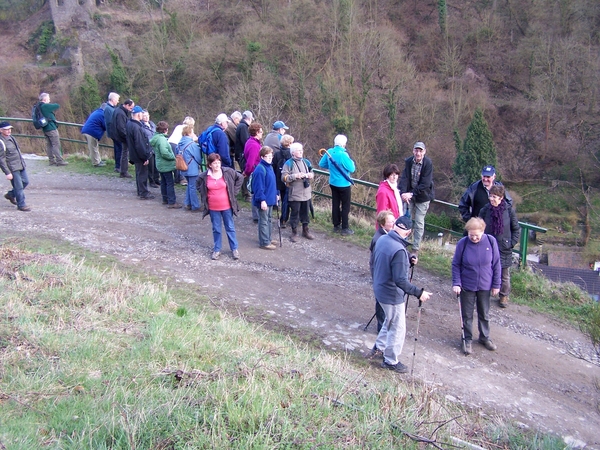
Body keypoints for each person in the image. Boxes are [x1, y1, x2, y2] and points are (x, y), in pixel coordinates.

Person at [371, 216, 432, 373]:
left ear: (395, 226)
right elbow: (401, 281)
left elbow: (393, 258)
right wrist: (419, 293)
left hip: (379, 289)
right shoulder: (399, 250)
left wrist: (407, 258)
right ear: (409, 232)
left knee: (389, 320)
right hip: (391, 295)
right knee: (397, 328)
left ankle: (379, 348)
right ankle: (391, 360)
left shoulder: (383, 239)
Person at [452, 217, 501, 355]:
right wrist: (456, 283)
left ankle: (484, 337)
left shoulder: (491, 241)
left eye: (476, 235)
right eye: (471, 235)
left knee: (484, 313)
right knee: (467, 314)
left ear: (483, 231)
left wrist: (496, 284)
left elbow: (496, 264)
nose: (473, 238)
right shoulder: (463, 243)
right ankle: (467, 339)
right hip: (467, 285)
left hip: (485, 285)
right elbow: (456, 264)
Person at [197, 153, 245, 261]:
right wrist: (204, 194)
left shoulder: (227, 172)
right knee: (216, 229)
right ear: (210, 164)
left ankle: (234, 249)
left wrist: (234, 191)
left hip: (227, 206)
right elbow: (198, 185)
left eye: (218, 162)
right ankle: (217, 250)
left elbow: (240, 178)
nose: (217, 165)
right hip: (213, 207)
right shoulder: (204, 176)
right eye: (215, 163)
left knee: (230, 227)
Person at [479, 185, 520, 308]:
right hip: (488, 246)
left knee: (504, 274)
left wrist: (511, 243)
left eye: (495, 197)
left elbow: (516, 229)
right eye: (490, 196)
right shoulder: (485, 210)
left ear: (501, 198)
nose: (492, 199)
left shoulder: (509, 211)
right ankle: (485, 293)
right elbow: (478, 226)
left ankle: (503, 296)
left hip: (504, 247)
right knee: (486, 271)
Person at [399, 141, 434, 257]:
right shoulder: (408, 161)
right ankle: (402, 242)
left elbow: (425, 183)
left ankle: (415, 249)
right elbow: (404, 178)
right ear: (413, 151)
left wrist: (411, 194)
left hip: (422, 197)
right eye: (416, 150)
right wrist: (403, 193)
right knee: (406, 218)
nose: (418, 153)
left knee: (419, 222)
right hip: (410, 195)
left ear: (424, 152)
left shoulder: (428, 163)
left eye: (420, 151)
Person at [319, 134, 356, 235]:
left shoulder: (329, 151)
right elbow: (352, 168)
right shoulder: (343, 155)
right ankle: (345, 228)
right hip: (344, 184)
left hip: (333, 182)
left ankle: (336, 225)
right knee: (345, 206)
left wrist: (332, 167)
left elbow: (322, 164)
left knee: (335, 204)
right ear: (344, 144)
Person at [367, 210, 396, 336]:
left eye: (394, 221)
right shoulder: (379, 238)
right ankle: (381, 327)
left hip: (381, 272)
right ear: (382, 224)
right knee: (381, 300)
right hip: (379, 273)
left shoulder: (386, 235)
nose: (393, 224)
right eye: (390, 222)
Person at [281, 142, 314, 242]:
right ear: (293, 152)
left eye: (301, 150)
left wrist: (311, 175)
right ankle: (294, 232)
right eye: (298, 151)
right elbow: (284, 177)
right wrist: (294, 176)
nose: (301, 152)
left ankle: (305, 230)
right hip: (295, 193)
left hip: (306, 193)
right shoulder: (288, 163)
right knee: (295, 212)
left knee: (305, 212)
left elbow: (312, 171)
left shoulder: (306, 162)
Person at [252, 146, 279, 250]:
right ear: (262, 157)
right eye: (267, 156)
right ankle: (264, 242)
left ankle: (268, 238)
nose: (270, 158)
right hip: (264, 200)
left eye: (271, 156)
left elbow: (273, 182)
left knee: (269, 220)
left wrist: (276, 194)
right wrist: (262, 200)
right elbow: (258, 188)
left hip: (271, 198)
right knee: (263, 221)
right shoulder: (260, 169)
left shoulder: (270, 166)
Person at [150, 121, 181, 209]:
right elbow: (164, 153)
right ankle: (171, 201)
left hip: (160, 163)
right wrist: (173, 157)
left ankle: (165, 199)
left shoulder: (156, 138)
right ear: (165, 130)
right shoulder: (162, 139)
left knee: (163, 181)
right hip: (165, 164)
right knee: (169, 183)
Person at [0, 121, 30, 211]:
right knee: (18, 186)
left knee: (25, 182)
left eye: (9, 129)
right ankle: (21, 204)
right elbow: (1, 159)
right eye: (6, 129)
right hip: (12, 167)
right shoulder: (1, 142)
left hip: (20, 165)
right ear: (1, 130)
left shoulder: (11, 138)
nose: (9, 131)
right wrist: (7, 172)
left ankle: (10, 194)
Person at [126, 105, 154, 200]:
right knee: (142, 174)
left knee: (139, 173)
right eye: (142, 113)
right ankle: (143, 193)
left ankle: (141, 191)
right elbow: (139, 143)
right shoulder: (136, 127)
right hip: (139, 155)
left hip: (134, 154)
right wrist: (144, 157)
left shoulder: (130, 124)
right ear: (138, 114)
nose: (143, 115)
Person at [39, 92, 68, 166]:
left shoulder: (39, 106)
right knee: (56, 144)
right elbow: (56, 106)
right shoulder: (45, 106)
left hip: (45, 128)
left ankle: (51, 160)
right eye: (48, 98)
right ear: (45, 99)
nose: (49, 100)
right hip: (51, 128)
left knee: (49, 145)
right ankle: (59, 160)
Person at [177, 125, 201, 212]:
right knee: (192, 187)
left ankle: (187, 203)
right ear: (189, 133)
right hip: (192, 169)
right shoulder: (192, 144)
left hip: (183, 168)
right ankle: (195, 205)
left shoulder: (179, 144)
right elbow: (198, 157)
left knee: (189, 186)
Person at [243, 122, 264, 222]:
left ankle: (256, 215)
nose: (262, 133)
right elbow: (250, 162)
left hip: (253, 170)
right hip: (254, 171)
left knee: (255, 192)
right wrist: (247, 172)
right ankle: (256, 216)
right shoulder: (254, 145)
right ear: (256, 132)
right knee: (256, 192)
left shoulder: (250, 142)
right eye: (260, 131)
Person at [272, 134, 294, 228]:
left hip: (280, 180)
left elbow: (273, 168)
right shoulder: (292, 154)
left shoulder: (277, 154)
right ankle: (290, 219)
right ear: (290, 143)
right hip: (291, 180)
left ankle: (283, 219)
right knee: (291, 201)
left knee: (284, 199)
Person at [110, 98, 135, 178]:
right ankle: (124, 171)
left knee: (123, 153)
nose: (131, 110)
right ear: (127, 105)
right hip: (122, 137)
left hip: (117, 135)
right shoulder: (121, 113)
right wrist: (127, 137)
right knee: (125, 153)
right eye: (131, 108)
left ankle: (122, 170)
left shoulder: (118, 110)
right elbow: (121, 128)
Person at [235, 110, 253, 199]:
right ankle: (246, 193)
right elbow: (245, 141)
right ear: (249, 118)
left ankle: (245, 192)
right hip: (242, 154)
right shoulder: (243, 127)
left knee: (245, 172)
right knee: (245, 172)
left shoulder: (241, 125)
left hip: (240, 153)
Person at [141, 110, 159, 188]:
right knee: (150, 166)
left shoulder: (152, 124)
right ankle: (151, 181)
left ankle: (157, 179)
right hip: (148, 148)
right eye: (144, 116)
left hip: (155, 147)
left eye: (147, 115)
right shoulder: (141, 126)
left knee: (156, 165)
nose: (146, 117)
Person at [104, 92, 121, 172]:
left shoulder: (110, 108)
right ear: (113, 99)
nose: (118, 101)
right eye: (117, 100)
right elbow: (110, 122)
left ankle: (118, 166)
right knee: (119, 149)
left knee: (118, 149)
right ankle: (118, 166)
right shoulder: (108, 109)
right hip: (115, 134)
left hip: (114, 133)